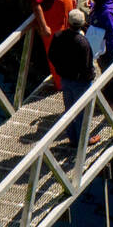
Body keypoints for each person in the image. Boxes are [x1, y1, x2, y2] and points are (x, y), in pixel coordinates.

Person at [47, 8, 100, 147]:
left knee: (69, 110)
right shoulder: (83, 42)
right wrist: (91, 77)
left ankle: (73, 138)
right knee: (83, 112)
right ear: (82, 24)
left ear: (68, 22)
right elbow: (87, 66)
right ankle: (84, 139)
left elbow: (52, 55)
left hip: (65, 78)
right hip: (80, 81)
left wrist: (60, 69)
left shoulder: (58, 36)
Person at [28, 0, 74, 91]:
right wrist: (44, 26)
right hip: (53, 20)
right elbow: (36, 5)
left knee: (72, 43)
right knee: (56, 52)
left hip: (67, 13)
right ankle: (61, 83)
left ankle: (74, 71)